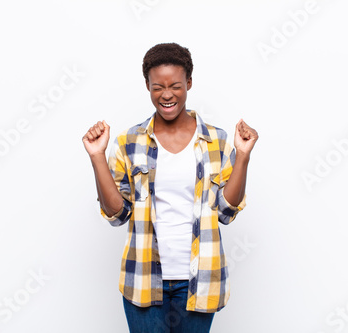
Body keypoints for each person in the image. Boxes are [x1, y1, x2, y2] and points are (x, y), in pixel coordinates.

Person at [82, 42, 258, 333]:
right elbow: (117, 214)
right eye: (157, 87)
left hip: (200, 282)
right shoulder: (130, 141)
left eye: (175, 85)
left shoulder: (217, 140)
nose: (166, 95)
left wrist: (243, 157)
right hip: (142, 281)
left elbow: (226, 211)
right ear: (148, 87)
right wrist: (97, 156)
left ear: (188, 83)